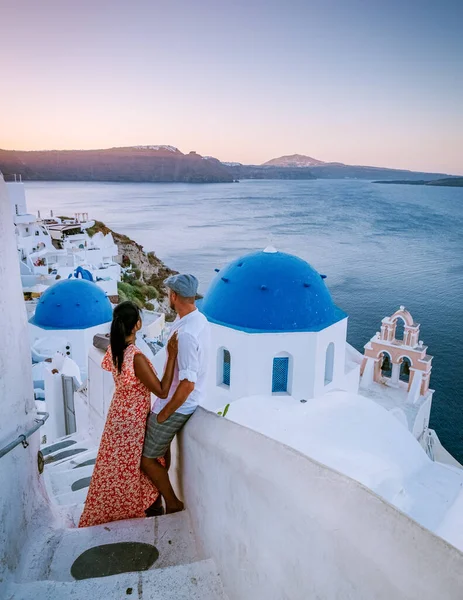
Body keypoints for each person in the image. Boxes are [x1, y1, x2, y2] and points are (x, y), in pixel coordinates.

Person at [79, 301, 178, 528]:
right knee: (149, 461)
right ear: (138, 324)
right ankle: (154, 505)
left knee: (121, 467)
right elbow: (162, 390)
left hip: (118, 416)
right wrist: (171, 355)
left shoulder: (115, 350)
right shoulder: (136, 357)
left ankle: (144, 506)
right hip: (132, 420)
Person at [141, 274, 210, 514]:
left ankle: (171, 503)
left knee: (147, 459)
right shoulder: (196, 319)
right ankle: (158, 499)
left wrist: (164, 414)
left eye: (168, 292)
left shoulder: (188, 334)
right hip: (172, 403)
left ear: (174, 296)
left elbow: (188, 384)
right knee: (160, 454)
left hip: (176, 406)